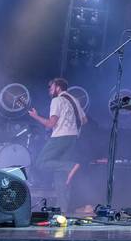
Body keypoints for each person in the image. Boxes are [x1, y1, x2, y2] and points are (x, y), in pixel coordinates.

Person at [28, 77, 87, 212]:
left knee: (41, 162)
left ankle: (71, 165)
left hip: (60, 137)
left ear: (58, 87)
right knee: (61, 176)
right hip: (72, 139)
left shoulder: (57, 100)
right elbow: (84, 120)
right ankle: (62, 211)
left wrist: (35, 116)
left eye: (51, 87)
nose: (49, 90)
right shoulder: (74, 100)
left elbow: (50, 124)